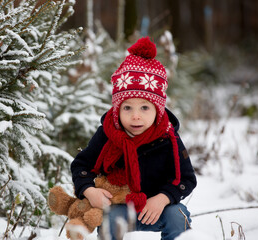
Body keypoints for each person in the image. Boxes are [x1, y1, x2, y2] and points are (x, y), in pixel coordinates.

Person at [70, 37, 197, 240]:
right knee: (108, 221)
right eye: (127, 107)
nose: (135, 116)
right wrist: (89, 190)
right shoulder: (107, 133)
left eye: (145, 107)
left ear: (158, 109)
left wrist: (164, 198)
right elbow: (81, 166)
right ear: (117, 109)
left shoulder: (168, 137)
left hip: (157, 208)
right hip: (118, 208)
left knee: (177, 216)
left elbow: (186, 178)